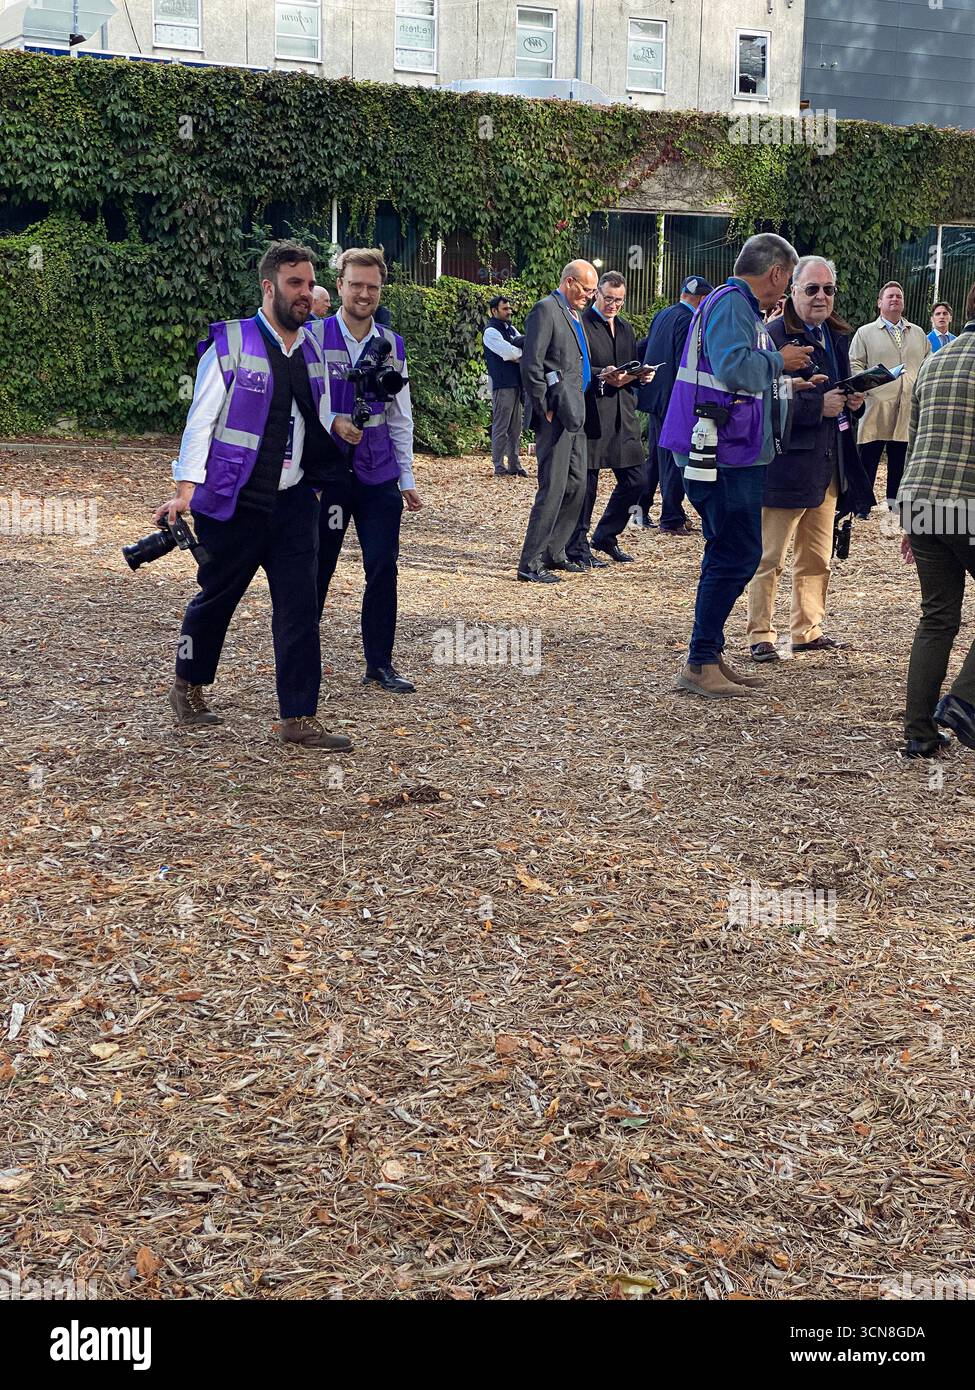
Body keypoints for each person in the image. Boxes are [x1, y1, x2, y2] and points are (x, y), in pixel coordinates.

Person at [154, 239, 352, 751]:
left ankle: (298, 716)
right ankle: (187, 685)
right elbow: (200, 422)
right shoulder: (232, 343)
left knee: (300, 609)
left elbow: (315, 414)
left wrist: (339, 429)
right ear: (269, 287)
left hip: (293, 503)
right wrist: (185, 491)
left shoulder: (312, 349)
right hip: (234, 501)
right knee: (216, 598)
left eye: (310, 283)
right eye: (295, 283)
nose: (306, 293)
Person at [659, 232, 814, 697]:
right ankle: (700, 661)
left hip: (723, 449)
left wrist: (786, 384)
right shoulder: (732, 305)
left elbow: (733, 376)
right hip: (724, 454)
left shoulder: (732, 304)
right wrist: (779, 362)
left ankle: (707, 656)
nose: (787, 288)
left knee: (727, 550)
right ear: (777, 273)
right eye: (789, 278)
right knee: (738, 553)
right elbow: (734, 368)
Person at [746, 256, 873, 662]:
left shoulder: (836, 336)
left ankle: (806, 629)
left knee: (818, 557)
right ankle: (760, 634)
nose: (821, 297)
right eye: (812, 288)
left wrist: (853, 402)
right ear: (793, 290)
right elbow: (759, 402)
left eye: (828, 289)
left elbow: (837, 397)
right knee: (770, 557)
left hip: (827, 466)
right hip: (785, 466)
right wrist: (817, 407)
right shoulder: (772, 337)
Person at [316, 248, 423, 693]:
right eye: (356, 284)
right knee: (316, 568)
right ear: (339, 285)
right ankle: (302, 662)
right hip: (326, 474)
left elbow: (400, 415)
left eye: (372, 287)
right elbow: (299, 400)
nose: (364, 293)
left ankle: (379, 663)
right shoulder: (313, 336)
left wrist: (407, 477)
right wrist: (332, 421)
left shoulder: (391, 344)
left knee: (382, 567)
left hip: (378, 473)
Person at [898, 282, 975, 757]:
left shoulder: (936, 358)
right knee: (938, 615)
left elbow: (915, 437)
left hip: (920, 500)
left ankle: (919, 732)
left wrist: (910, 520)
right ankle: (965, 702)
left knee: (938, 616)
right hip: (967, 504)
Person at [516, 259, 598, 584]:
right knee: (553, 488)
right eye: (587, 289)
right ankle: (530, 563)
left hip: (576, 413)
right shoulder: (546, 310)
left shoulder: (574, 314)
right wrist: (543, 407)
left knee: (577, 485)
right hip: (557, 414)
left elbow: (575, 363)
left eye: (593, 291)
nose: (590, 296)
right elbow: (531, 364)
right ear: (569, 282)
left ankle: (554, 551)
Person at [566, 271, 655, 568]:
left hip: (623, 414)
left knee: (637, 480)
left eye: (619, 300)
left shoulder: (626, 328)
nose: (613, 305)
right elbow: (576, 367)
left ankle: (606, 535)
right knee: (586, 488)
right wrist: (602, 376)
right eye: (608, 298)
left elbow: (630, 366)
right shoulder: (582, 324)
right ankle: (576, 546)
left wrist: (641, 376)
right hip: (593, 413)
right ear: (596, 295)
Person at [636, 275, 712, 536]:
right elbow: (685, 362)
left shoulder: (663, 314)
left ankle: (640, 509)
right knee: (673, 458)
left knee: (657, 458)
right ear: (702, 299)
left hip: (655, 396)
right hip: (673, 399)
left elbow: (644, 346)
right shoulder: (689, 320)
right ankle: (671, 516)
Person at [849, 281, 930, 508]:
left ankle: (896, 503)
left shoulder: (918, 333)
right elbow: (854, 363)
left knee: (901, 459)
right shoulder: (865, 333)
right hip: (876, 404)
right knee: (868, 457)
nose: (895, 299)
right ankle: (862, 505)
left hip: (907, 405)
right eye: (890, 296)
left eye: (899, 296)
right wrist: (866, 387)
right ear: (879, 303)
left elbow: (928, 363)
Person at [483, 294, 528, 477]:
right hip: (502, 385)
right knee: (501, 427)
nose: (509, 311)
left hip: (516, 383)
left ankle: (514, 464)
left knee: (515, 428)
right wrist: (523, 354)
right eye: (505, 308)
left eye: (509, 308)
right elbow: (510, 353)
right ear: (494, 311)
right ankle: (499, 466)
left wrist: (520, 353)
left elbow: (521, 347)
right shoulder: (490, 332)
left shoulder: (510, 329)